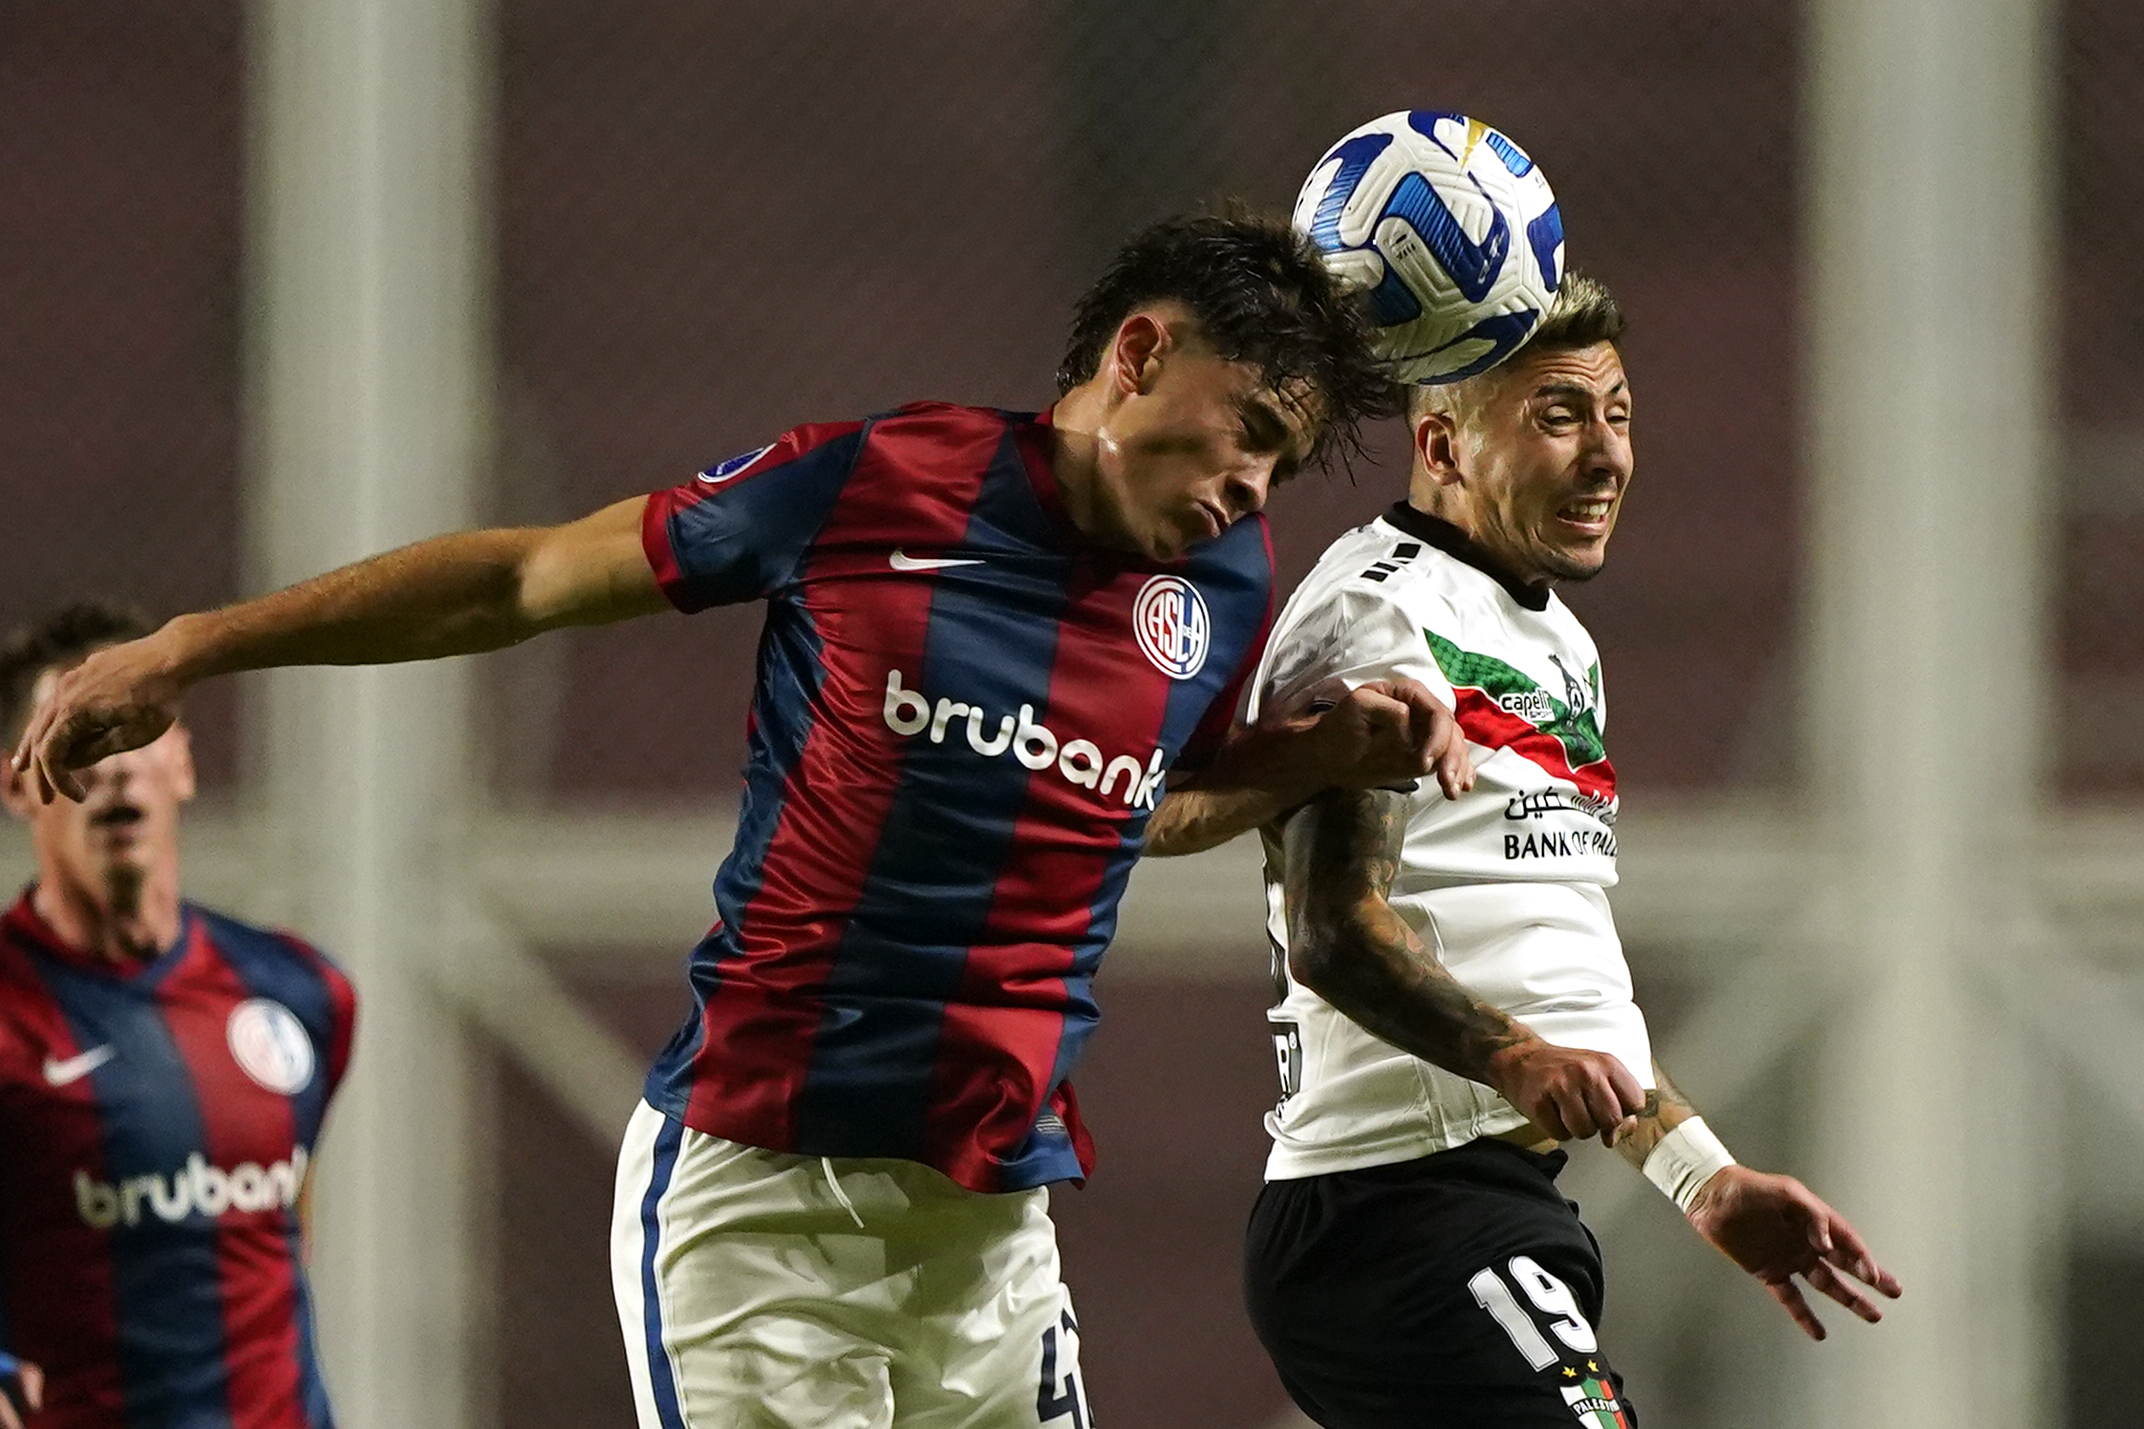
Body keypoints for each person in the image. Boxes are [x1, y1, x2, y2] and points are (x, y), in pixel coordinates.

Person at [13, 213, 1475, 1429]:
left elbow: (1138, 809)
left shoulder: (1214, 585)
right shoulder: (883, 480)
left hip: (990, 1229)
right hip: (766, 1205)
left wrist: (1313, 755)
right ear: (1142, 352)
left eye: (1280, 469)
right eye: (1252, 434)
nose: (1250, 488)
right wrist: (190, 647)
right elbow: (524, 580)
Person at [1239, 273, 1903, 1429]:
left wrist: (1701, 1175)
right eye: (1558, 416)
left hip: (1497, 1201)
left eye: (1619, 415)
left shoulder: (1559, 645)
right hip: (1390, 1210)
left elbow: (1554, 974)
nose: (1605, 456)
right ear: (1439, 442)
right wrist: (1509, 1060)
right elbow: (1335, 932)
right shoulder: (1375, 618)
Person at [0, 603, 357, 1429]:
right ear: (20, 782)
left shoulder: (301, 993)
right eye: (79, 737)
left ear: (184, 764)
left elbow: (283, 1230)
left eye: (135, 731)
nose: (117, 766)